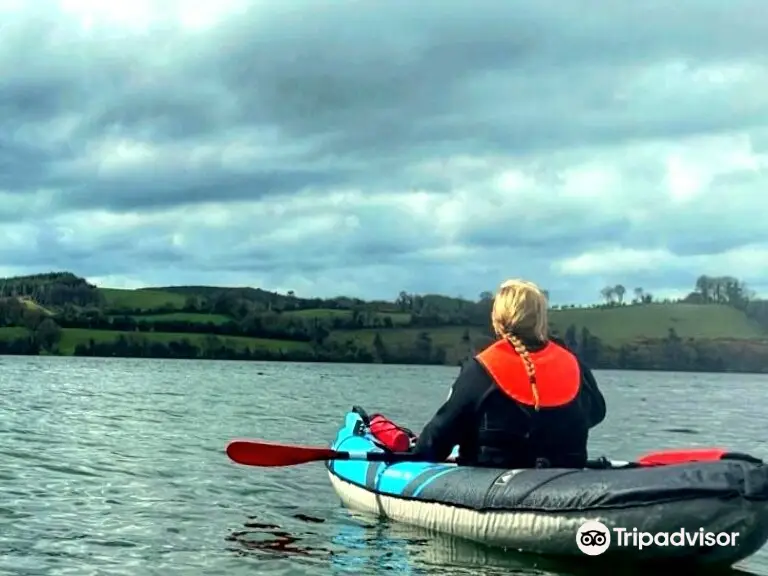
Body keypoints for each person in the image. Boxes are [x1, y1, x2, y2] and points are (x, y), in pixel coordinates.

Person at [410, 279, 606, 469]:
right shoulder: (575, 365)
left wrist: (415, 450)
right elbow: (597, 413)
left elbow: (436, 442)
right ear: (541, 320)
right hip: (567, 480)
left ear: (497, 320)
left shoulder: (481, 370)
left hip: (493, 485)